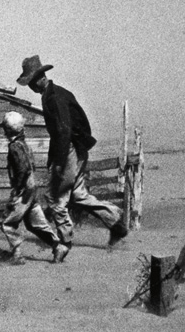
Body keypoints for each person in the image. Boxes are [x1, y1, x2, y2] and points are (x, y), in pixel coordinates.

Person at [16, 55, 127, 252]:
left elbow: (64, 130)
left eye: (32, 81)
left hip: (70, 150)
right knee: (79, 195)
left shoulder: (55, 97)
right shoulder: (51, 94)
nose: (31, 87)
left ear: (41, 77)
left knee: (56, 197)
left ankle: (64, 243)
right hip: (74, 149)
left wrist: (59, 163)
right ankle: (115, 222)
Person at [0, 111, 69, 264]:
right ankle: (58, 246)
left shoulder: (14, 147)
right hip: (32, 187)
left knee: (7, 222)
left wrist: (17, 189)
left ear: (7, 130)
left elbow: (22, 169)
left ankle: (17, 254)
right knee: (35, 223)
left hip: (24, 188)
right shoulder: (25, 145)